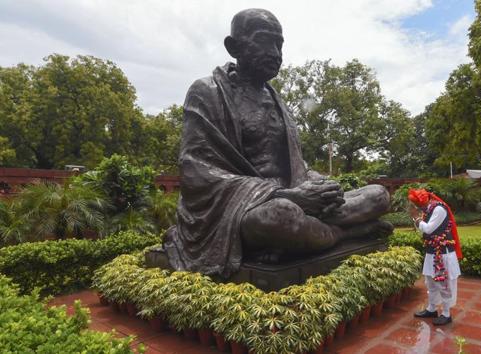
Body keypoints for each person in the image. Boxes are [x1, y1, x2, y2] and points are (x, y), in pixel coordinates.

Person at [163, 8, 392, 278]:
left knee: (377, 195)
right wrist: (282, 195)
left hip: (299, 201)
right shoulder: (207, 92)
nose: (275, 52)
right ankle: (349, 232)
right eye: (264, 41)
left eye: (279, 44)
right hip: (245, 210)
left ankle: (313, 235)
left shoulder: (277, 100)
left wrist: (318, 185)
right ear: (233, 46)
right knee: (279, 216)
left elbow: (295, 166)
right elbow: (195, 169)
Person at [407, 188, 462, 325]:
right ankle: (432, 309)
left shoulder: (439, 209)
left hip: (443, 254)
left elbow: (428, 229)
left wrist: (417, 219)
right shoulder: (428, 209)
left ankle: (446, 313)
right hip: (432, 252)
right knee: (430, 282)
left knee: (444, 284)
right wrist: (418, 219)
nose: (418, 208)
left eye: (418, 205)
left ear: (424, 202)